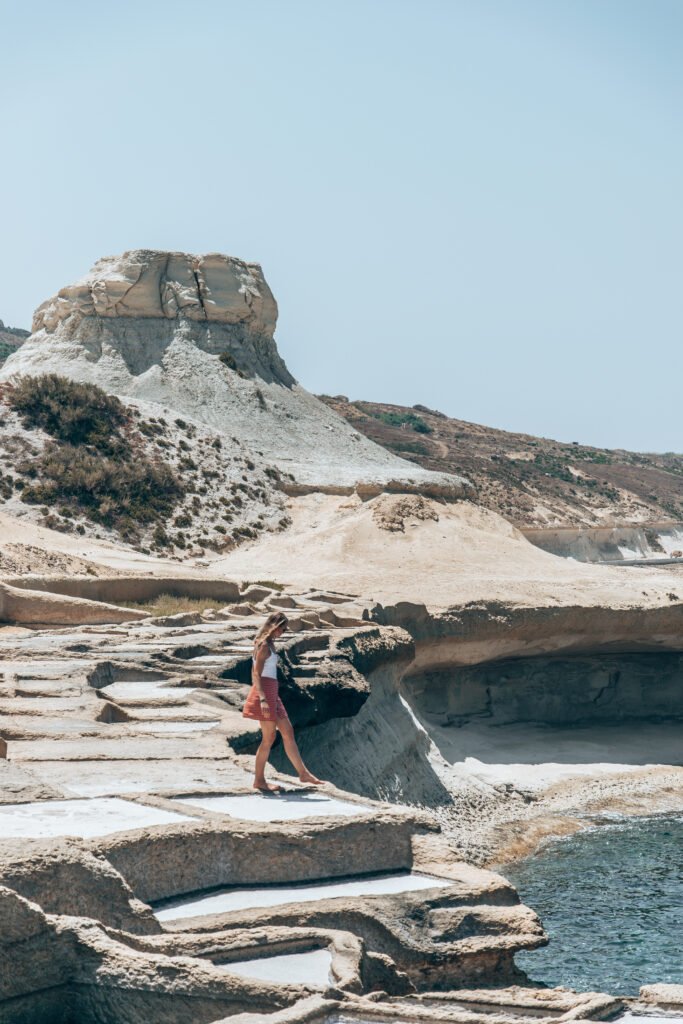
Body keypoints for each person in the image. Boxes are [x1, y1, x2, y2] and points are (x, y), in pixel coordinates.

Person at [242, 611, 324, 791]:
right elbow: (255, 673)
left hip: (273, 691)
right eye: (282, 629)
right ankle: (259, 781)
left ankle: (303, 774)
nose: (283, 633)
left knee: (287, 731)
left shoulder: (269, 644)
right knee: (268, 738)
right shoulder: (263, 645)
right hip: (265, 691)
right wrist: (262, 698)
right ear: (274, 626)